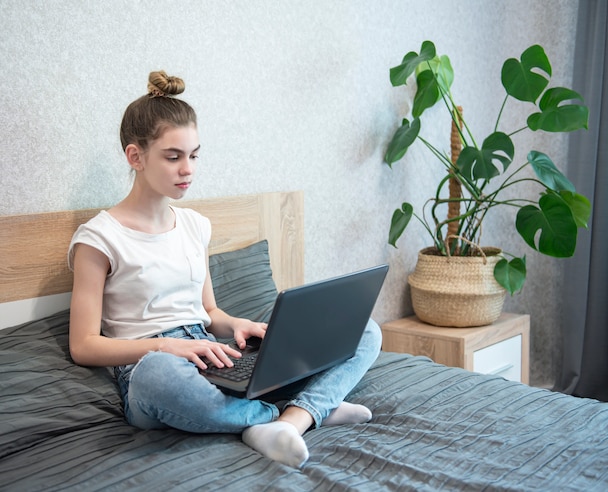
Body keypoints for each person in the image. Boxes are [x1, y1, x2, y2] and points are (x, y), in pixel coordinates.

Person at [68, 70, 382, 468]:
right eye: (173, 156)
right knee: (158, 375)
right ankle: (295, 413)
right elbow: (83, 346)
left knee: (364, 330)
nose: (188, 169)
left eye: (194, 155)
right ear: (135, 156)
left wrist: (236, 326)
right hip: (150, 366)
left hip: (213, 355)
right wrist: (166, 345)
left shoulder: (196, 225)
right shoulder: (98, 238)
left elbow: (209, 313)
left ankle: (294, 417)